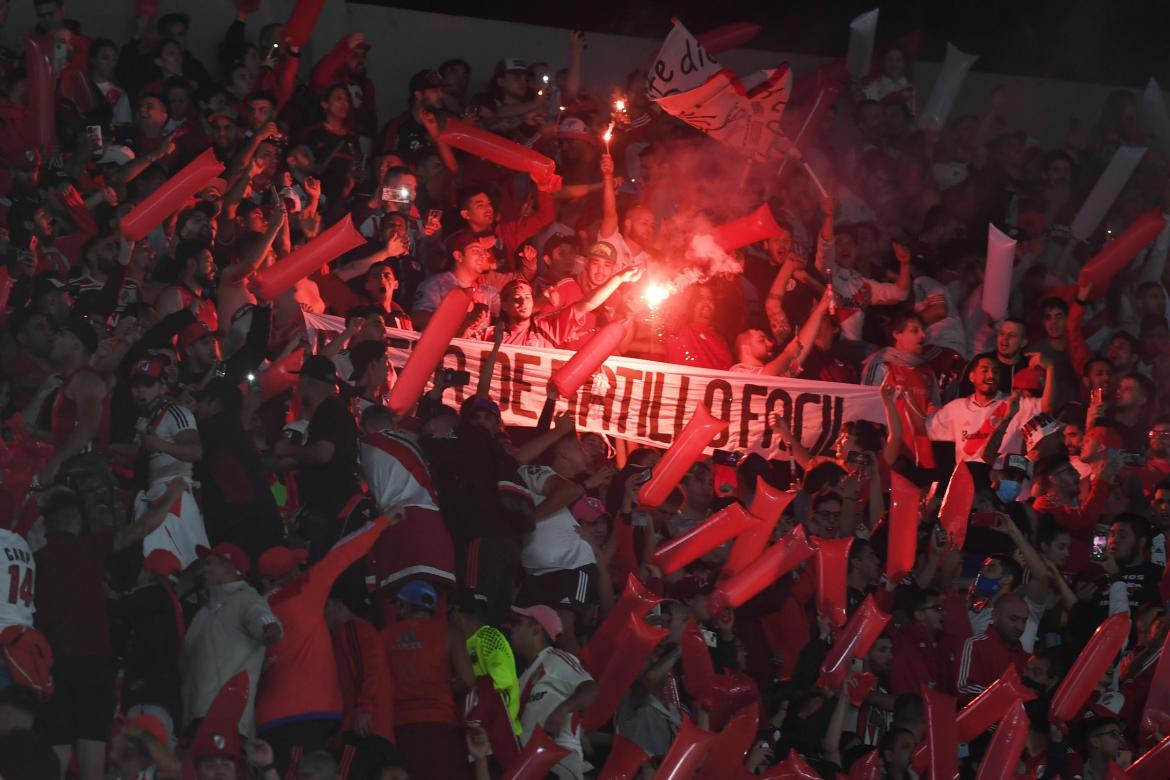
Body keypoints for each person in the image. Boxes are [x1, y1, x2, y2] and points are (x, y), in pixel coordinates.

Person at [35, 483, 179, 780]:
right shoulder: (91, 548)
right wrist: (175, 493)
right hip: (95, 665)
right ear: (77, 520)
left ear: (47, 525)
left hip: (52, 665)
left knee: (56, 749)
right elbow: (142, 527)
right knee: (93, 750)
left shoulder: (37, 559)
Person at [254, 519, 387, 773]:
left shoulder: (256, 606)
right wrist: (384, 521)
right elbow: (344, 552)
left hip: (266, 719)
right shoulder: (304, 590)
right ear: (293, 572)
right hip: (305, 712)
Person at [181, 542, 282, 737]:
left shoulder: (247, 599)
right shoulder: (205, 610)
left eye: (210, 563)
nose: (204, 569)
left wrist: (270, 628)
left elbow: (265, 621)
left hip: (226, 718)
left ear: (230, 566)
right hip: (194, 718)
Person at [381, 580, 475, 780]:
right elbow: (467, 680)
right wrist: (444, 689)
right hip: (440, 725)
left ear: (403, 606)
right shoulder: (450, 633)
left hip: (398, 727)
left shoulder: (384, 637)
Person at [272, 356, 360, 561]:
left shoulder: (328, 410)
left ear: (306, 382)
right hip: (335, 511)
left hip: (327, 513)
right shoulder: (337, 411)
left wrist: (287, 449)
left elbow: (322, 454)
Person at [127, 356, 208, 567]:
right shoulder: (144, 419)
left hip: (175, 494)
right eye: (136, 386)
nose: (141, 391)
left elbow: (196, 451)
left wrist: (160, 445)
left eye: (148, 384)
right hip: (156, 496)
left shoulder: (176, 412)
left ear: (162, 387)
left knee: (178, 562)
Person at [510, 604, 598, 780]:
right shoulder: (523, 678)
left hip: (557, 762)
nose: (512, 629)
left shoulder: (555, 658)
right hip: (532, 764)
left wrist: (562, 710)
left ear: (536, 630)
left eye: (519, 623)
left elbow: (591, 689)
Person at [955, 592, 1030, 705]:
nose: (1020, 626)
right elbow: (964, 688)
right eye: (1013, 619)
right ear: (995, 616)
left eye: (1024, 621)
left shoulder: (1024, 656)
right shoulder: (975, 645)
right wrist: (1008, 696)